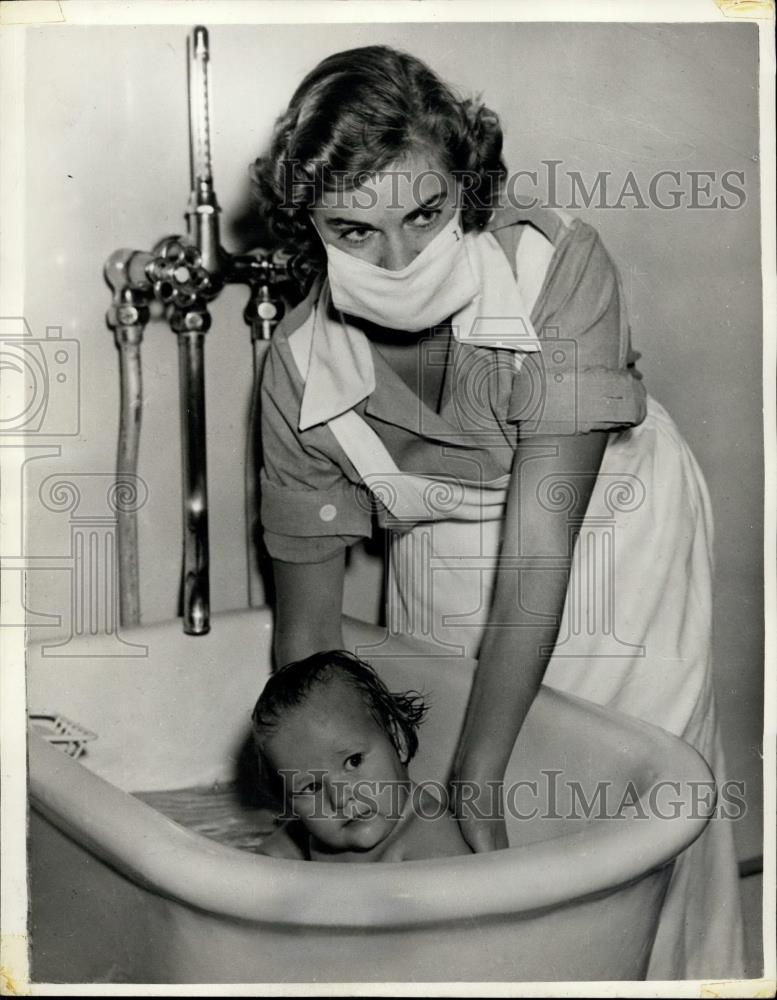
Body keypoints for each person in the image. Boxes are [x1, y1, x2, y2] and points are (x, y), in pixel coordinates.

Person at [251, 45, 744, 977]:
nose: (397, 261)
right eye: (352, 231)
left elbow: (536, 551)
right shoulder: (296, 368)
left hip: (606, 537)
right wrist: (312, 824)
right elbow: (308, 644)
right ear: (306, 226)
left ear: (466, 187)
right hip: (442, 544)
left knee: (625, 802)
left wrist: (478, 772)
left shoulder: (557, 270)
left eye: (425, 215)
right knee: (414, 795)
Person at [251, 649, 470, 862]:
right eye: (311, 787)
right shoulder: (314, 831)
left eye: (353, 761)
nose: (340, 799)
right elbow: (265, 862)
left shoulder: (430, 840)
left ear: (398, 738)